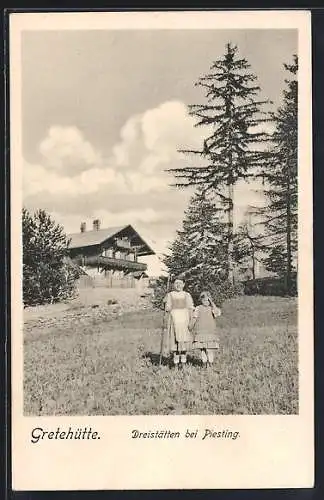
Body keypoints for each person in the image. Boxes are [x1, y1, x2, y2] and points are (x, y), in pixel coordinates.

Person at [164, 279, 194, 369]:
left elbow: (190, 308)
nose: (178, 285)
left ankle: (183, 364)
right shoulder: (170, 295)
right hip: (174, 321)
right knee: (175, 344)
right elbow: (167, 307)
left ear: (184, 284)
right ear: (173, 284)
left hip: (184, 321)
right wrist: (166, 305)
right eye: (176, 283)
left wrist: (191, 321)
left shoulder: (186, 295)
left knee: (183, 343)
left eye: (180, 283)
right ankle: (176, 364)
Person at [191, 291, 221, 367]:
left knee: (209, 349)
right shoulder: (198, 308)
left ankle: (210, 363)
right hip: (200, 332)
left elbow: (217, 313)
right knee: (202, 349)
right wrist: (190, 326)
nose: (206, 302)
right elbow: (194, 318)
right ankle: (204, 363)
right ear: (201, 300)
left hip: (210, 332)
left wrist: (212, 302)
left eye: (208, 300)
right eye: (204, 300)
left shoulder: (212, 309)